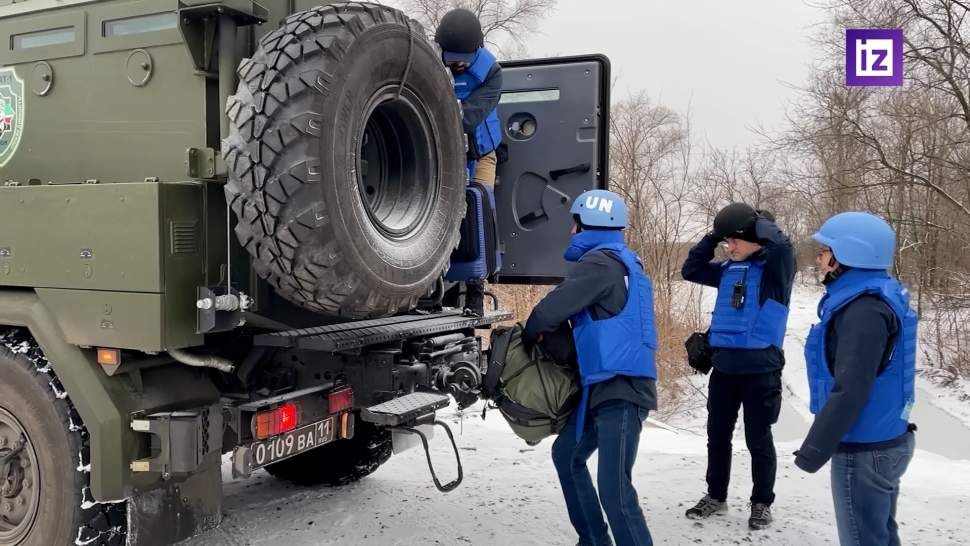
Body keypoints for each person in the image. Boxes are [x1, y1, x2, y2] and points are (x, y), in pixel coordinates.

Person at [523, 189, 657, 546]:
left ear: (591, 226)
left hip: (622, 389)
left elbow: (546, 314)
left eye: (575, 225)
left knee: (615, 491)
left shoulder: (600, 264)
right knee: (567, 455)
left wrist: (532, 333)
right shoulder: (622, 262)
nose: (571, 233)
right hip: (604, 386)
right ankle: (594, 540)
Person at [794, 212, 917, 546]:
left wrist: (813, 450)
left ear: (847, 254)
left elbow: (852, 388)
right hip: (886, 439)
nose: (818, 258)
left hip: (865, 449)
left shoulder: (864, 310)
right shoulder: (877, 296)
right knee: (879, 537)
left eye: (824, 251)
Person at [681, 203, 795, 530]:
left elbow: (784, 247)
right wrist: (713, 234)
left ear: (757, 239)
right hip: (725, 371)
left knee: (758, 440)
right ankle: (715, 496)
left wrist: (756, 223)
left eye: (735, 241)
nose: (728, 247)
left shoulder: (777, 274)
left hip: (761, 372)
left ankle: (761, 503)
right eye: (726, 242)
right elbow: (691, 269)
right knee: (717, 437)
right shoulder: (728, 269)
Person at [435, 8, 504, 316]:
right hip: (448, 152)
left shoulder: (491, 72)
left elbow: (470, 117)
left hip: (480, 150)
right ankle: (438, 285)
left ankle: (476, 289)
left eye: (463, 60)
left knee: (479, 206)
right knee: (443, 212)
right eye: (451, 60)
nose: (457, 65)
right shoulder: (432, 63)